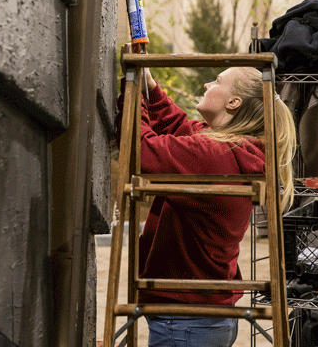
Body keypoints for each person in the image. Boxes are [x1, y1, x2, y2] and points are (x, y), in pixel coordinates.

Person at [116, 54, 297, 347]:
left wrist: (132, 87)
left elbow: (140, 150)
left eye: (218, 81)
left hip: (186, 319)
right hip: (203, 314)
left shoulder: (215, 155)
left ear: (233, 102)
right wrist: (150, 88)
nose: (207, 83)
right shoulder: (232, 148)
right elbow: (179, 128)